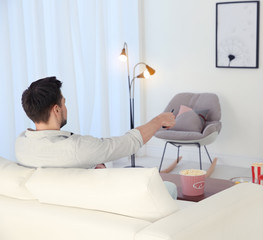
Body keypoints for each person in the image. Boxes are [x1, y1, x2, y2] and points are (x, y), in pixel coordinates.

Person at [15, 76, 178, 198]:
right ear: (56, 110)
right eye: (64, 103)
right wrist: (159, 120)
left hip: (64, 202)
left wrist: (90, 170)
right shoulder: (77, 148)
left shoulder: (21, 144)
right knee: (169, 188)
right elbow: (129, 143)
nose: (66, 108)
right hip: (101, 202)